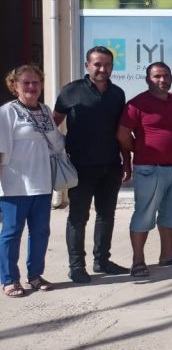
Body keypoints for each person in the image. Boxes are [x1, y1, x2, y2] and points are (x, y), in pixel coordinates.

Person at [52, 46, 128, 283]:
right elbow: (53, 124)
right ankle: (76, 266)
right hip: (80, 167)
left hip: (111, 165)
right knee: (78, 217)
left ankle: (102, 261)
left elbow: (121, 131)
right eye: (97, 64)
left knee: (106, 215)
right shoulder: (71, 90)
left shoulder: (118, 94)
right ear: (87, 65)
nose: (102, 69)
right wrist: (59, 153)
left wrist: (126, 161)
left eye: (107, 64)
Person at [117, 62, 172, 275]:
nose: (162, 80)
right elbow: (123, 134)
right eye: (157, 76)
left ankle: (167, 254)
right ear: (147, 79)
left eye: (166, 76)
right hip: (150, 169)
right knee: (144, 214)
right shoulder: (137, 104)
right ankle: (138, 261)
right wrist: (140, 149)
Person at [0, 65, 58, 297]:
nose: (32, 87)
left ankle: (35, 275)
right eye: (26, 83)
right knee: (11, 234)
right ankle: (9, 280)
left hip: (42, 184)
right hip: (15, 186)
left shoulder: (45, 110)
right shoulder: (7, 112)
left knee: (41, 232)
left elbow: (56, 144)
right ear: (15, 86)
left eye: (36, 82)